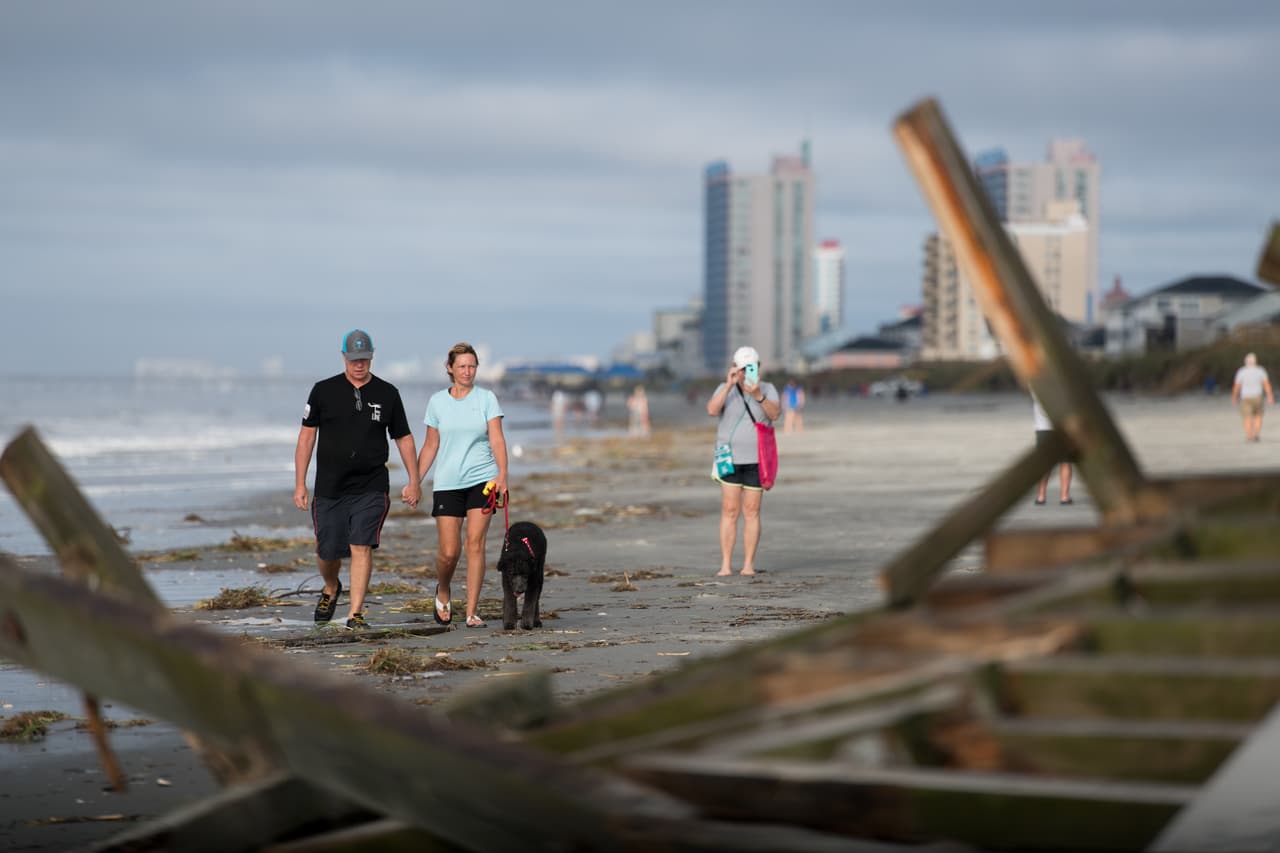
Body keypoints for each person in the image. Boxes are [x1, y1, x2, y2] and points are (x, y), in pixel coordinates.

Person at [294, 329, 420, 629]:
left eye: (364, 358)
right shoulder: (323, 391)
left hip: (371, 485)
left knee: (361, 544)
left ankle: (355, 614)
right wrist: (300, 482)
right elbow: (306, 437)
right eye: (353, 358)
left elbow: (403, 438)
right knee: (327, 551)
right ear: (343, 357)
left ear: (372, 356)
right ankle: (331, 587)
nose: (359, 364)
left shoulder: (388, 393)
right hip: (330, 487)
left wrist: (414, 480)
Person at [415, 343, 509, 628]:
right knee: (449, 552)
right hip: (447, 482)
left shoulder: (487, 399)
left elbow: (496, 438)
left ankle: (471, 611)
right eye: (462, 367)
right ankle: (443, 589)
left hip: (483, 479)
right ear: (450, 368)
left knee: (475, 544)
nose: (467, 372)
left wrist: (502, 474)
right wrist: (414, 481)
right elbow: (431, 445)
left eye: (472, 366)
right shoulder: (437, 402)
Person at [706, 345, 780, 577]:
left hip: (757, 459)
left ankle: (748, 564)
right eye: (742, 368)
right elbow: (711, 410)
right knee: (729, 510)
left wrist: (757, 394)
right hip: (727, 455)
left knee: (751, 511)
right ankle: (726, 564)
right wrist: (728, 385)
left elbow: (775, 414)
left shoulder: (768, 388)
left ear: (758, 368)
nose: (747, 372)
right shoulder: (724, 388)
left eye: (751, 368)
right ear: (734, 368)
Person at [1032, 393, 1073, 505]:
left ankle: (1041, 496)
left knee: (1044, 464)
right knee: (1065, 462)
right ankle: (1064, 496)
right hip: (1063, 425)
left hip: (1043, 427)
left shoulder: (1035, 383)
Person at [1232, 352, 1274, 443]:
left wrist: (1234, 397)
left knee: (1247, 417)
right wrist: (1270, 396)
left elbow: (1237, 386)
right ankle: (1256, 434)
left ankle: (1249, 436)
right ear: (1255, 361)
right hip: (1257, 397)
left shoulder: (1241, 371)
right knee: (1258, 416)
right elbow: (1266, 384)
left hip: (1245, 397)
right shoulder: (1260, 370)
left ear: (1246, 361)